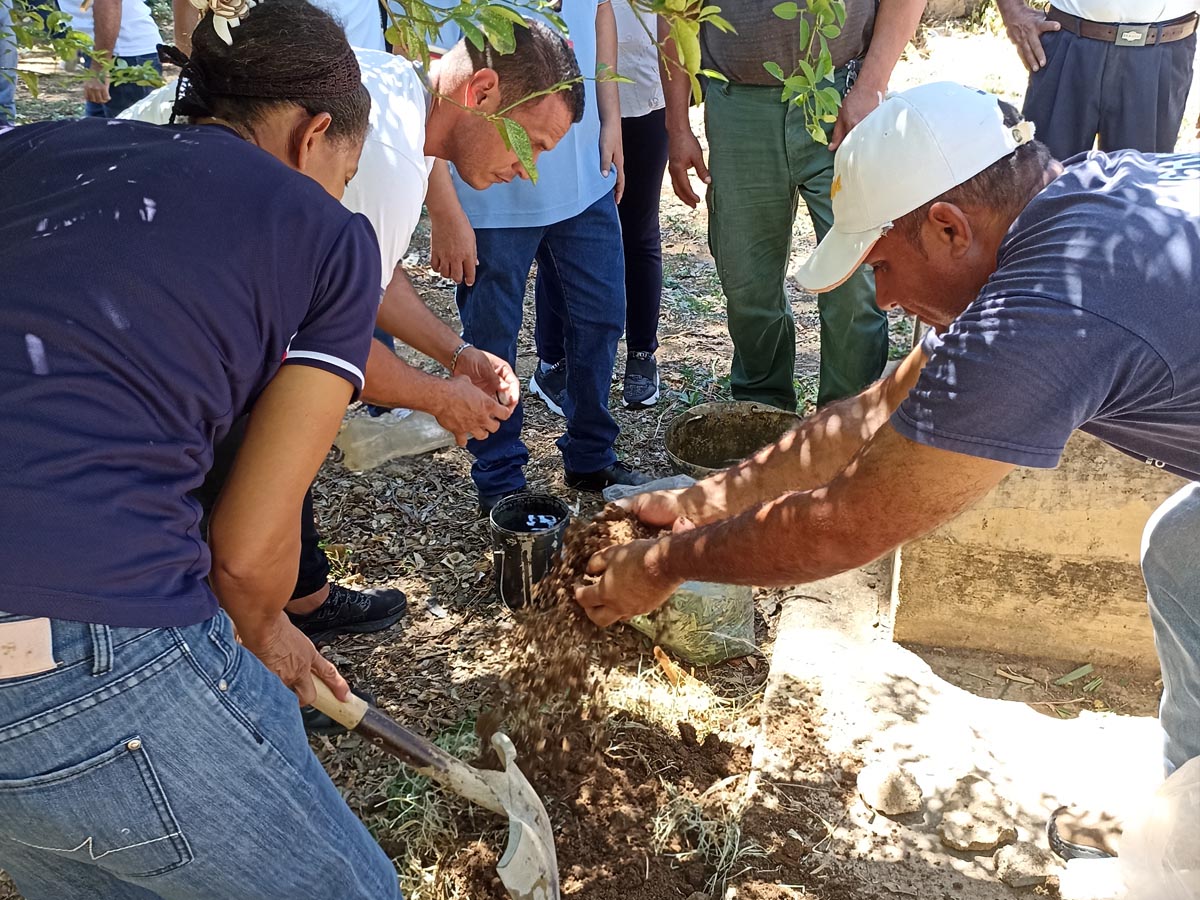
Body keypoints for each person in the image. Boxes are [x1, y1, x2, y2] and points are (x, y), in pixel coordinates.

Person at [576, 83, 1200, 787]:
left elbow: (842, 526)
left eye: (880, 265)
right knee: (1180, 553)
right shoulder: (1069, 208)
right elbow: (871, 415)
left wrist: (661, 567)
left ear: (947, 227)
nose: (881, 298)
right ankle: (1187, 806)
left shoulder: (1045, 314)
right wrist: (700, 503)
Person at [0, 1, 408, 896]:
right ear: (316, 135)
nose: (339, 194)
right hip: (78, 637)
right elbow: (249, 549)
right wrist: (267, 631)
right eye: (344, 172)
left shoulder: (30, 152)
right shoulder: (325, 235)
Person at [125, 24, 582, 642]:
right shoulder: (386, 152)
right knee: (244, 463)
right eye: (531, 144)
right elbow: (316, 343)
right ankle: (246, 655)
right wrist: (440, 398)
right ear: (482, 90)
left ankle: (297, 601)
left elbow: (366, 274)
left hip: (183, 243)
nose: (527, 172)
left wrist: (457, 352)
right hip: (152, 282)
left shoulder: (402, 95)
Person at [426, 0, 651, 514]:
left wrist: (611, 118)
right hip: (486, 189)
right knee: (490, 339)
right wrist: (442, 203)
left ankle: (591, 453)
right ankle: (499, 476)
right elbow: (427, 65)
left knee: (601, 318)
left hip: (579, 168)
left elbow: (600, 14)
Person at [665, 0, 925, 411]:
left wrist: (872, 84)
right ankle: (762, 419)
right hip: (738, 106)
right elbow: (674, 10)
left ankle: (846, 430)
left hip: (842, 94)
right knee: (747, 285)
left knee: (856, 285)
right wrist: (677, 126)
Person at [530, 0, 669, 411]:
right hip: (562, 94)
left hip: (642, 91)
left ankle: (642, 355)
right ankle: (551, 359)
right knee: (559, 225)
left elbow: (676, 18)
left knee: (639, 228)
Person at [996, 0, 1199, 160]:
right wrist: (1012, 9)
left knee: (1136, 192)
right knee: (1038, 184)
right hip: (1067, 42)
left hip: (1162, 54)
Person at [60, 0, 162, 117]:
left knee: (128, 131)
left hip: (122, 54)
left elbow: (109, 2)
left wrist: (99, 68)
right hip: (103, 52)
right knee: (97, 130)